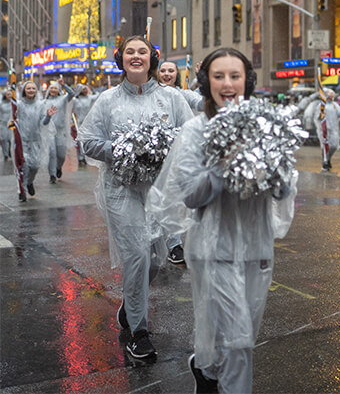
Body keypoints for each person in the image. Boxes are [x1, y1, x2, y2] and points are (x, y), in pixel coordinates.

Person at [147, 47, 296, 394]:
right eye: (218, 76)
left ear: (247, 81)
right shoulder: (195, 132)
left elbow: (283, 189)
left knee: (237, 334)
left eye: (235, 76)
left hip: (257, 249)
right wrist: (222, 162)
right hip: (213, 249)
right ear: (206, 83)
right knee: (239, 339)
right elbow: (191, 196)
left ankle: (206, 368)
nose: (227, 83)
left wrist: (271, 163)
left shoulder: (266, 127)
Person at [78, 35, 193, 362]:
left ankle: (130, 306)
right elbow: (88, 140)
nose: (136, 56)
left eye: (142, 51)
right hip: (121, 189)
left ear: (152, 58)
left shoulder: (171, 99)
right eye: (130, 51)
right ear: (121, 58)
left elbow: (192, 134)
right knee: (138, 255)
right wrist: (124, 151)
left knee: (155, 260)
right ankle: (140, 331)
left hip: (159, 191)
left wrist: (164, 151)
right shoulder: (108, 100)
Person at [156, 60, 203, 266]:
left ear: (177, 74)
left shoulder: (182, 95)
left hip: (175, 158)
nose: (166, 74)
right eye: (163, 70)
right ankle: (151, 243)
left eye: (171, 71)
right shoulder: (148, 94)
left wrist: (204, 79)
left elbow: (202, 103)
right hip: (149, 158)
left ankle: (174, 245)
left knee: (173, 199)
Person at [15, 81, 55, 201]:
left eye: (33, 88)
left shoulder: (40, 104)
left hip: (36, 140)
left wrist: (48, 116)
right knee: (24, 166)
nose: (31, 90)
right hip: (23, 141)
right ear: (24, 90)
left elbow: (43, 123)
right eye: (28, 88)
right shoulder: (19, 105)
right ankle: (22, 190)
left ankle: (29, 182)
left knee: (35, 165)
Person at [44, 79, 76, 183]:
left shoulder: (62, 99)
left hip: (60, 131)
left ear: (58, 90)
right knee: (52, 153)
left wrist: (64, 85)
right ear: (49, 90)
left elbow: (72, 93)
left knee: (61, 155)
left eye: (55, 88)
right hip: (49, 131)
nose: (53, 90)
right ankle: (52, 175)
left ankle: (58, 167)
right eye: (51, 88)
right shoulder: (44, 102)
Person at [304, 87, 340, 171]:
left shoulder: (335, 105)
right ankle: (325, 162)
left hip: (334, 129)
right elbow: (317, 118)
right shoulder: (321, 105)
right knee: (325, 146)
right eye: (330, 95)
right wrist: (321, 127)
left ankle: (328, 159)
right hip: (324, 130)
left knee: (334, 146)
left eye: (332, 95)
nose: (331, 97)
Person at [71, 85, 98, 166]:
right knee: (79, 141)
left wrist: (93, 90)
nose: (85, 91)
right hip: (78, 123)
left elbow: (98, 96)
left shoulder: (90, 98)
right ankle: (80, 158)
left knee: (87, 141)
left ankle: (86, 156)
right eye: (83, 89)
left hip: (89, 123)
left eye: (86, 89)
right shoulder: (75, 100)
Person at [0, 89, 13, 161]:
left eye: (10, 94)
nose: (9, 96)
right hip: (3, 123)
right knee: (4, 139)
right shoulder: (1, 104)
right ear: (5, 95)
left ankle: (10, 151)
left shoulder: (13, 103)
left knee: (11, 139)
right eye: (8, 94)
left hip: (11, 124)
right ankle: (5, 154)